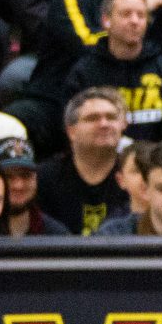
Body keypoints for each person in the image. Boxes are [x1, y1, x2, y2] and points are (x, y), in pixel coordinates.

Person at [63, 0, 162, 143]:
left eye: (141, 15)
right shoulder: (83, 72)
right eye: (126, 14)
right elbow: (73, 128)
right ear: (106, 20)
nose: (135, 21)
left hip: (155, 162)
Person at [34, 89, 128, 234]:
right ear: (71, 131)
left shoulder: (136, 176)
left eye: (111, 117)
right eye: (92, 118)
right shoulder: (44, 178)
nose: (104, 124)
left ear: (123, 126)